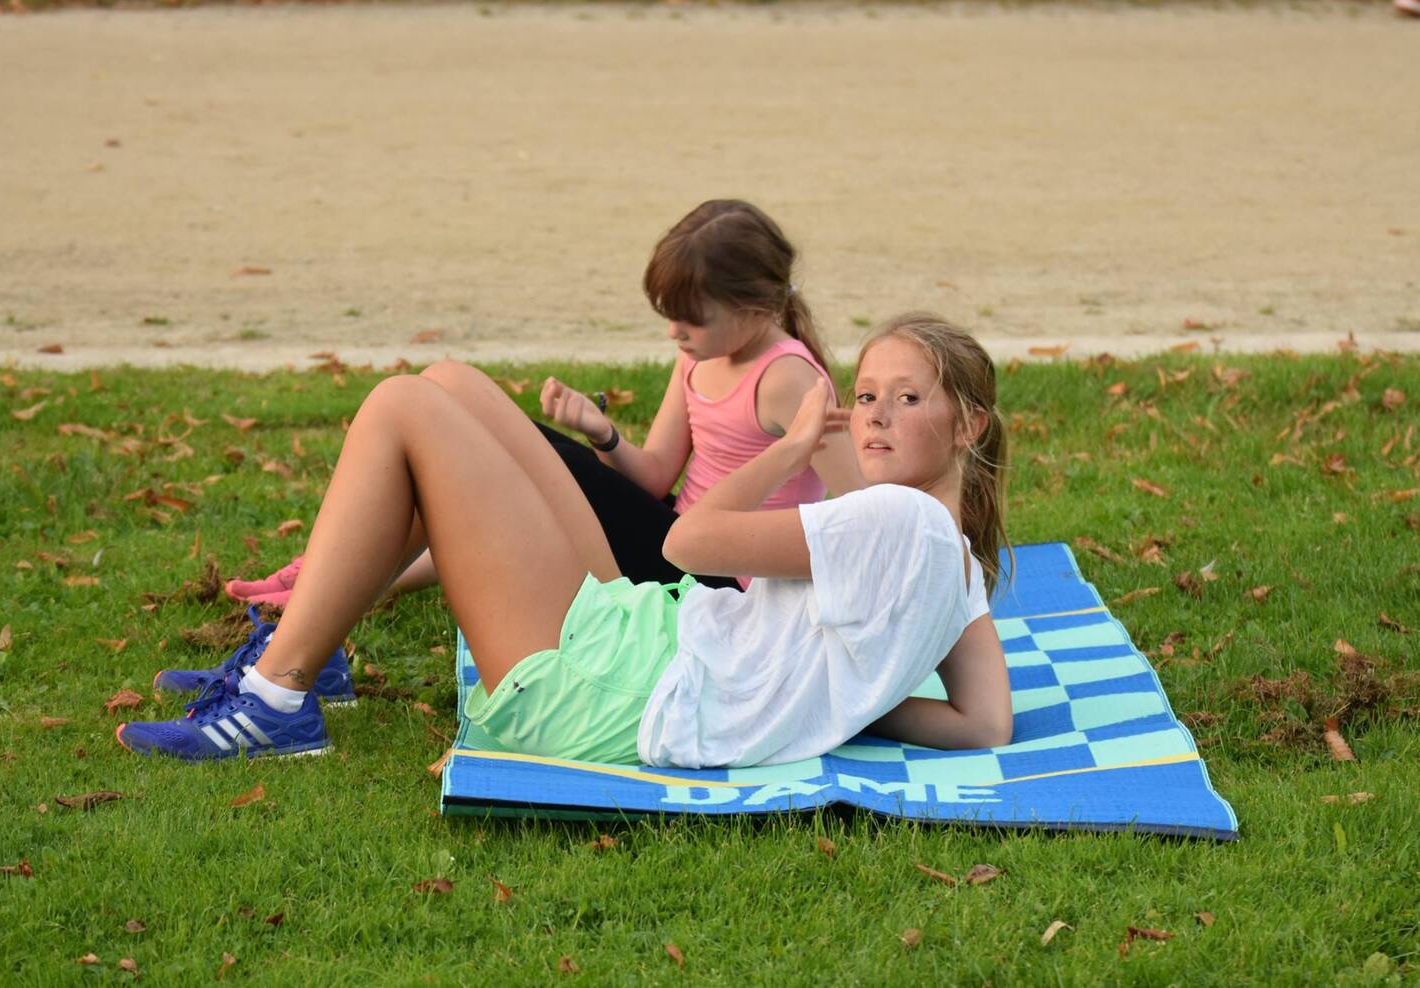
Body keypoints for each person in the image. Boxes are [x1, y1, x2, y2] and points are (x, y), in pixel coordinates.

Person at [117, 313, 1014, 764]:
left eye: (908, 397)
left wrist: (786, 452)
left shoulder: (891, 517)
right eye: (865, 396)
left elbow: (690, 542)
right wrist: (836, 705)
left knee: (403, 406)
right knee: (452, 385)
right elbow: (985, 723)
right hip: (653, 639)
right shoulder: (959, 559)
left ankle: (277, 702)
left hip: (623, 691)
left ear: (967, 425)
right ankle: (316, 648)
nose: (873, 416)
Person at [151, 200, 860, 699]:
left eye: (691, 322)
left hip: (708, 587)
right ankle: (317, 637)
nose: (676, 335)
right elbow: (653, 478)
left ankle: (304, 644)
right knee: (447, 387)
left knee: (450, 436)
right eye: (668, 322)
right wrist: (602, 434)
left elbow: (866, 516)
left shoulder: (791, 379)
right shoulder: (701, 357)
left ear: (759, 308)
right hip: (668, 533)